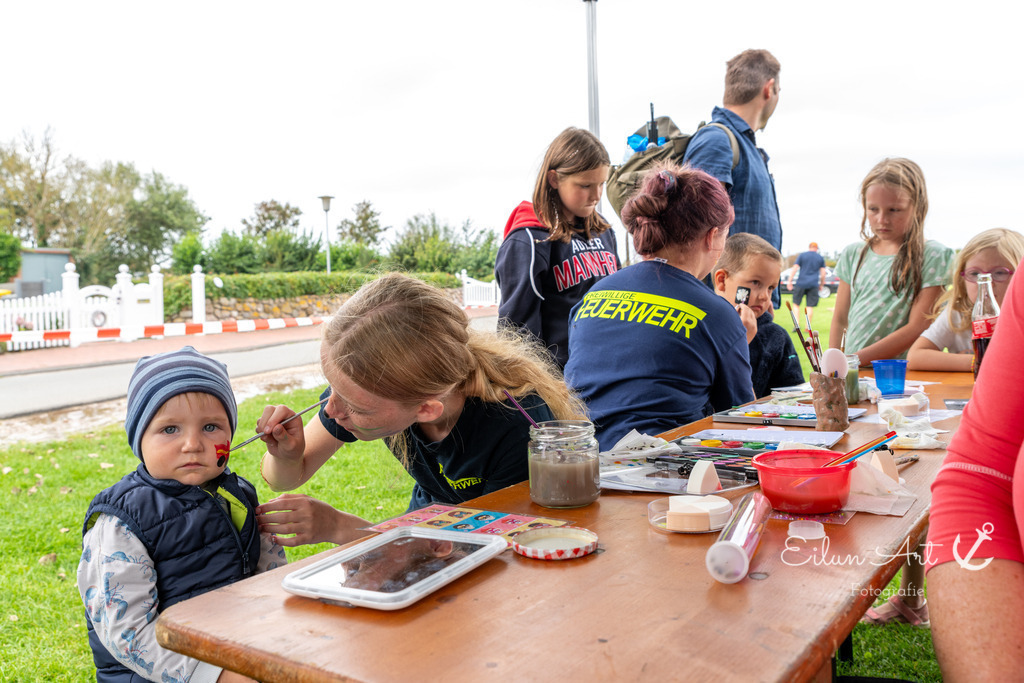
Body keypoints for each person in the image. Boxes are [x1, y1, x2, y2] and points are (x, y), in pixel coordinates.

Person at [255, 273, 587, 546]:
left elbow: (484, 552)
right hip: (426, 530)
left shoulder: (516, 427)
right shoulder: (364, 389)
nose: (331, 410)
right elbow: (281, 479)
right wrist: (287, 456)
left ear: (427, 409)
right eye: (334, 389)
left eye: (354, 406)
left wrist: (340, 528)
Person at [77, 346, 285, 683]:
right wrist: (214, 675)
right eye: (170, 429)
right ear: (139, 438)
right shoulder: (121, 522)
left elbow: (269, 574)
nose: (192, 444)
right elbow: (127, 634)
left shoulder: (238, 495)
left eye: (210, 427)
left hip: (240, 657)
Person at [564, 163, 755, 451]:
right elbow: (741, 422)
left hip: (580, 459)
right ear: (711, 236)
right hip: (661, 464)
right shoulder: (716, 314)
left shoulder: (594, 295)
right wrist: (736, 342)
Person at [925, 254, 1024, 680]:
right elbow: (981, 473)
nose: (989, 281)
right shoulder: (958, 315)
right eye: (977, 274)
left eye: (1001, 273)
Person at [494, 127, 620, 368]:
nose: (596, 196)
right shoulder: (529, 240)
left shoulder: (604, 232)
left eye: (601, 184)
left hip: (608, 371)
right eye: (585, 185)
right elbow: (516, 335)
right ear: (554, 179)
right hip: (560, 381)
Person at [683, 48, 783, 308]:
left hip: (748, 307)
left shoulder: (745, 146)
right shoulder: (716, 139)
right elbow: (697, 229)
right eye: (778, 91)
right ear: (769, 89)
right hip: (726, 307)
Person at [828, 158, 954, 364]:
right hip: (852, 373)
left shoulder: (934, 255)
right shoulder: (853, 253)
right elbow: (840, 319)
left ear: (917, 206)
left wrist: (852, 361)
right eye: (873, 209)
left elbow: (919, 326)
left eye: (894, 210)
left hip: (901, 376)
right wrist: (833, 365)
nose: (882, 219)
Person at [908, 228, 1024, 372]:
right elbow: (915, 356)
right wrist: (976, 362)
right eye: (974, 274)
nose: (986, 283)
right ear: (962, 278)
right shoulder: (958, 313)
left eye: (999, 273)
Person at [712, 233, 804, 397]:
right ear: (722, 280)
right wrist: (739, 342)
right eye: (755, 282)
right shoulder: (702, 330)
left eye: (770, 288)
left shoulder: (776, 337)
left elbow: (793, 395)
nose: (764, 297)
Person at [785, 242, 827, 322]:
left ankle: (796, 323)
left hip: (801, 283)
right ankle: (807, 326)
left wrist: (789, 281)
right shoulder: (820, 258)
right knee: (809, 306)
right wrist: (821, 284)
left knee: (796, 304)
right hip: (813, 284)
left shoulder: (802, 255)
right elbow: (823, 273)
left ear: (809, 247)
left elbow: (795, 268)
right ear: (817, 248)